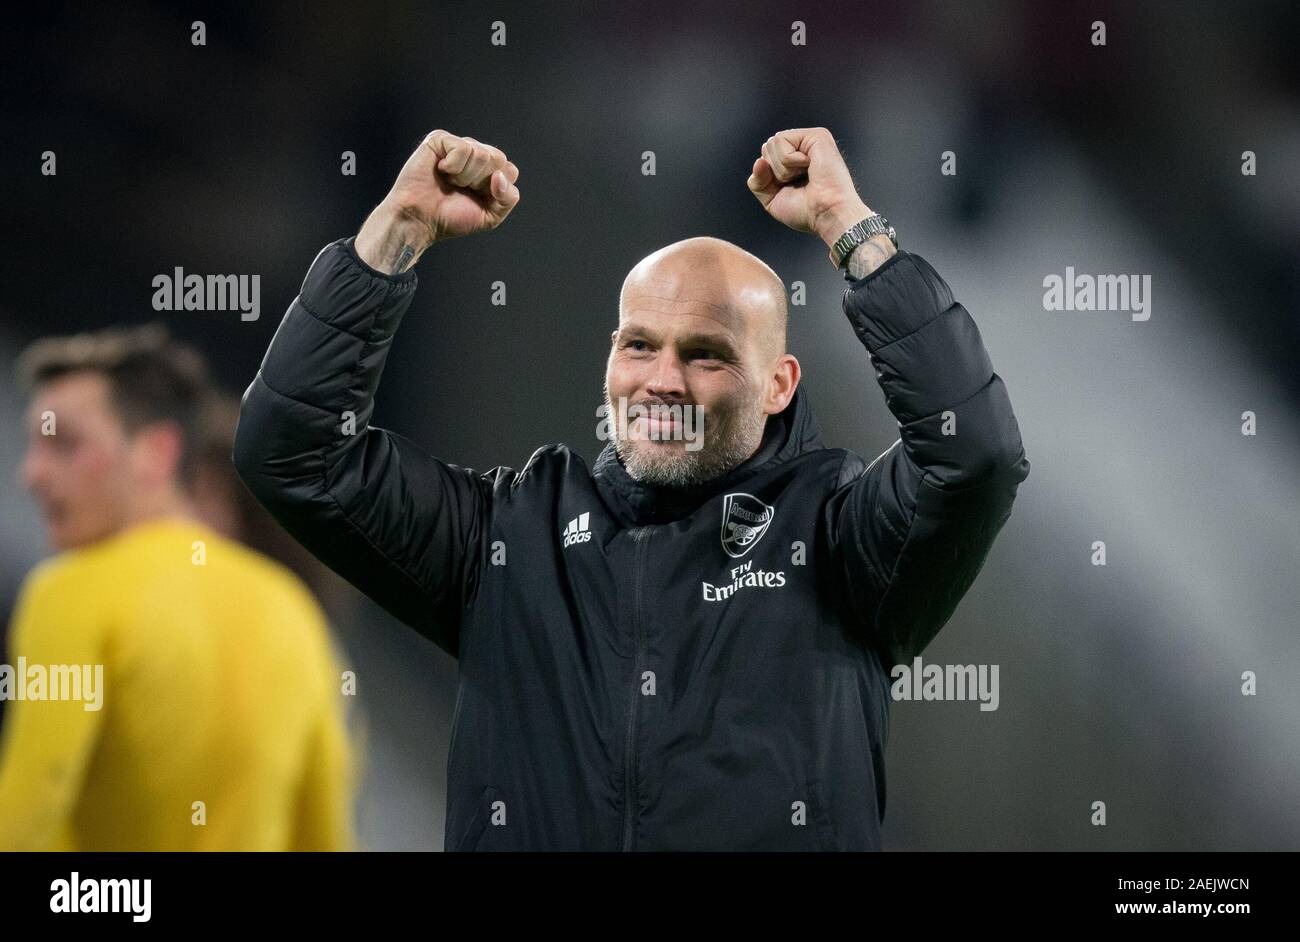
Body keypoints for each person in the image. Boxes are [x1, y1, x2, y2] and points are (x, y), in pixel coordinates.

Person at [233, 127, 1030, 850]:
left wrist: (852, 232)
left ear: (779, 384)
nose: (662, 382)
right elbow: (292, 450)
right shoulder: (508, 537)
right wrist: (395, 233)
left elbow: (974, 455)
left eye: (707, 355)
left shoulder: (840, 537)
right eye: (639, 345)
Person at [0, 324, 355, 850]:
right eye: (34, 444)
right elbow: (325, 838)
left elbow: (27, 812)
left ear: (155, 452)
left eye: (63, 444)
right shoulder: (294, 613)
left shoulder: (70, 590)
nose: (31, 473)